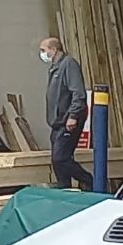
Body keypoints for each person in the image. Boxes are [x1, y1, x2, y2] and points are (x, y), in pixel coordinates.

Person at [39, 37, 94, 190]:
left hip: (68, 120)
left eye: (43, 50)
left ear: (54, 49)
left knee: (60, 158)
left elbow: (78, 92)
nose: (42, 54)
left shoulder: (68, 65)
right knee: (57, 161)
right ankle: (64, 188)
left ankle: (88, 180)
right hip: (57, 122)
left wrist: (73, 116)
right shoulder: (55, 68)